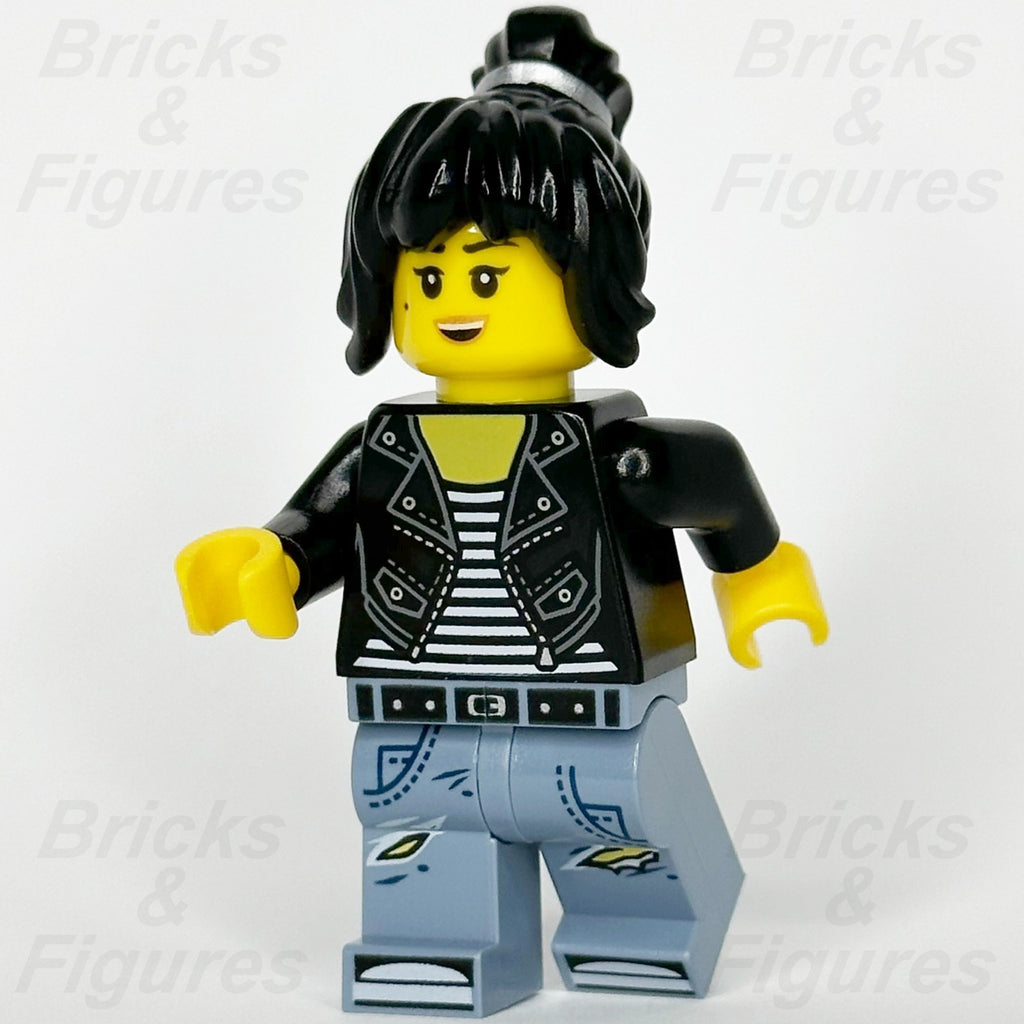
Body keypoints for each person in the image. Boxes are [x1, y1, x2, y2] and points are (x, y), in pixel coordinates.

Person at [176, 8, 827, 1017]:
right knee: (421, 837)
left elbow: (717, 483)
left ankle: (643, 934)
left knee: (619, 822)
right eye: (426, 276)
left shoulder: (618, 446)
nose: (453, 302)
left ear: (594, 278)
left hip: (588, 707)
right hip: (416, 710)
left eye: (486, 274)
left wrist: (759, 573)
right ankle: (440, 950)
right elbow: (324, 525)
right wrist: (273, 560)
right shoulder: (384, 447)